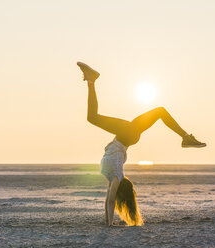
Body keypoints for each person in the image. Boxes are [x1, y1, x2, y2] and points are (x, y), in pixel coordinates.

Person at [77, 62, 206, 226]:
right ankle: (186, 137)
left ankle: (91, 80)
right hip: (126, 135)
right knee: (158, 111)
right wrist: (108, 223)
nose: (113, 194)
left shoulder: (113, 178)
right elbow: (110, 201)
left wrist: (108, 223)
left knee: (93, 117)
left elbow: (108, 201)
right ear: (120, 190)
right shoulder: (116, 175)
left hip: (127, 135)